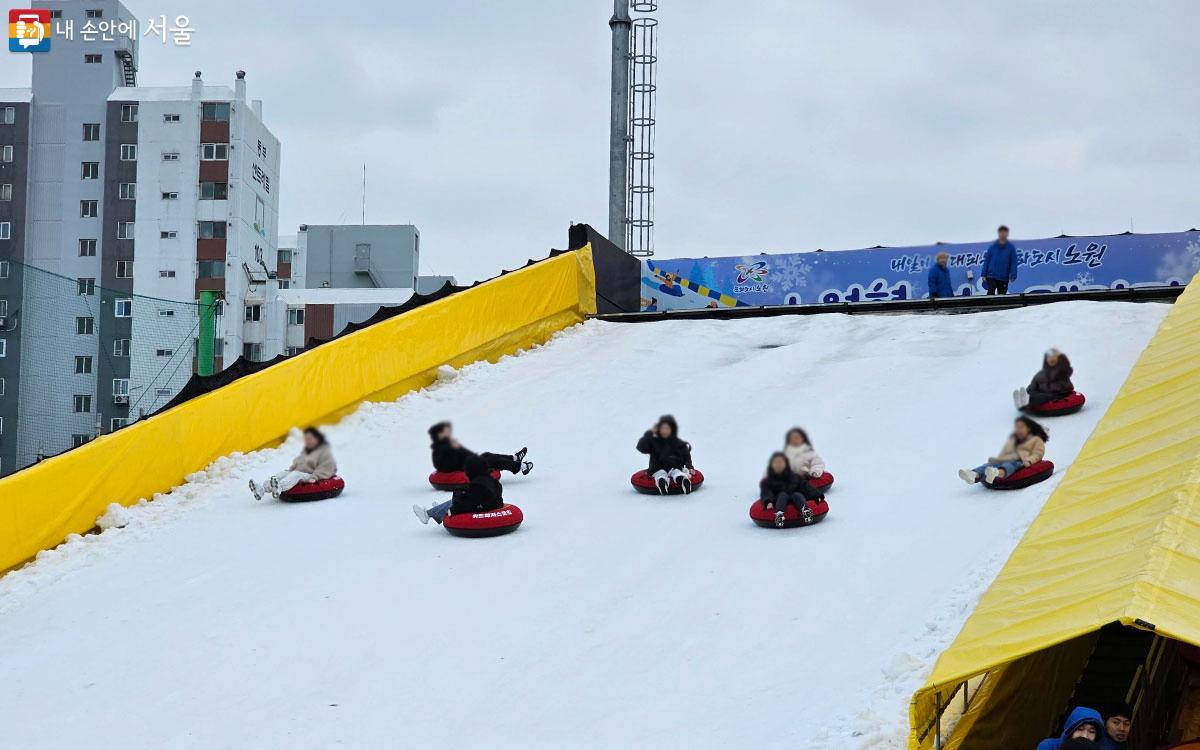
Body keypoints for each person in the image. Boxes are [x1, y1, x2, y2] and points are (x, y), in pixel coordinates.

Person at [249, 426, 337, 500]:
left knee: (296, 474)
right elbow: (300, 461)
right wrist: (291, 469)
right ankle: (262, 489)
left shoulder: (324, 452)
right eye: (306, 439)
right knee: (283, 473)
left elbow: (327, 467)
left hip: (311, 475)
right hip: (300, 471)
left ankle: (280, 487)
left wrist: (315, 477)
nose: (308, 441)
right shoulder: (307, 450)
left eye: (310, 438)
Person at [413, 455, 504, 525]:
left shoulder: (478, 484)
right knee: (462, 495)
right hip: (490, 503)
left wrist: (453, 510)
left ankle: (428, 514)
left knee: (459, 499)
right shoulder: (491, 480)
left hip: (484, 507)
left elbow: (470, 504)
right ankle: (440, 509)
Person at [958, 416, 1048, 485]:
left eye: (1021, 427)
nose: (1018, 430)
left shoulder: (1036, 440)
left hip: (1021, 460)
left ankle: (996, 473)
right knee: (989, 465)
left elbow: (1038, 453)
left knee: (1010, 465)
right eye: (1017, 427)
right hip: (1007, 458)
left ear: (1028, 428)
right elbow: (1004, 453)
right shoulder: (1014, 439)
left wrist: (1029, 460)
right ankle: (973, 474)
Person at [428, 421, 532, 476]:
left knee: (487, 455)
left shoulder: (447, 444)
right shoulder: (440, 449)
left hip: (468, 462)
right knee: (491, 460)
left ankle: (514, 458)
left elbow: (464, 453)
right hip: (464, 467)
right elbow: (443, 466)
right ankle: (521, 466)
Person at [759, 451, 824, 527]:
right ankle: (779, 515)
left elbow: (806, 486)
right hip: (780, 499)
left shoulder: (795, 477)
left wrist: (817, 495)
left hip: (796, 497)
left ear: (786, 464)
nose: (778, 465)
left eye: (781, 462)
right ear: (771, 465)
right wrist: (768, 502)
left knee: (797, 494)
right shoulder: (768, 481)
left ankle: (805, 511)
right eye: (776, 462)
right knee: (782, 495)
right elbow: (766, 492)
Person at [637, 415, 695, 494]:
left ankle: (683, 481)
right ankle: (662, 483)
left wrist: (689, 467)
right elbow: (641, 447)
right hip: (657, 468)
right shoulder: (653, 442)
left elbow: (686, 455)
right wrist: (650, 433)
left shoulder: (678, 443)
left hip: (674, 467)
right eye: (662, 428)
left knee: (677, 472)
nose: (665, 431)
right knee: (660, 474)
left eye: (667, 428)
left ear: (672, 429)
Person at [1037, 707, 1105, 750]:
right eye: (1080, 729)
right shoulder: (1049, 746)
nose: (1085, 736)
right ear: (1070, 730)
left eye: (1091, 731)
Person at [981, 225, 1018, 295]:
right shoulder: (992, 247)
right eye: (1001, 233)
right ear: (999, 234)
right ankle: (988, 305)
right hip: (992, 275)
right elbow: (987, 260)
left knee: (1002, 295)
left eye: (1005, 233)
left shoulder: (1011, 248)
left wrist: (1013, 275)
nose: (1003, 234)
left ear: (1007, 234)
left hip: (1004, 277)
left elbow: (1013, 262)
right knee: (991, 291)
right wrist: (983, 274)